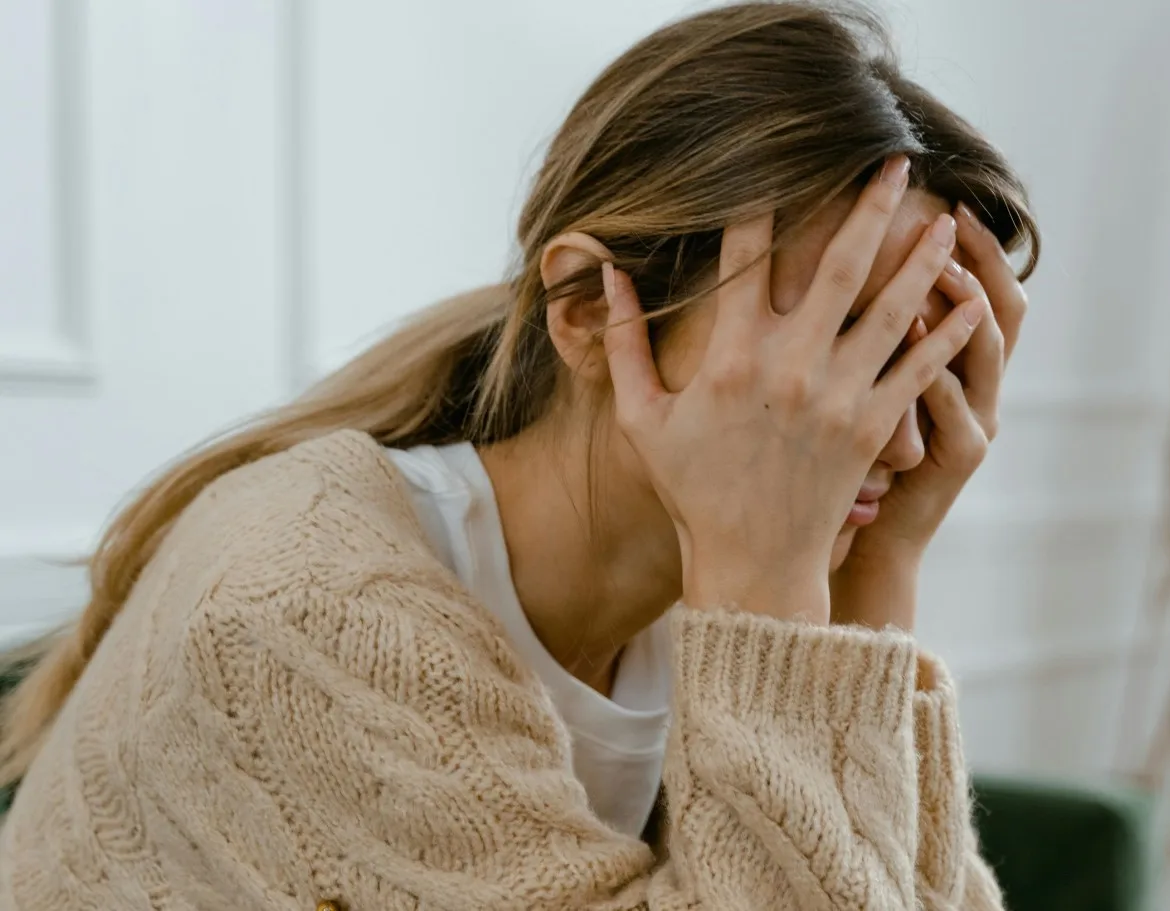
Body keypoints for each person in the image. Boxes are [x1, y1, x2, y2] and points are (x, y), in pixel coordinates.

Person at [0, 2, 1039, 908]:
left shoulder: (717, 587)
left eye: (925, 364)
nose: (891, 433)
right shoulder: (308, 609)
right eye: (829, 344)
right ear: (589, 309)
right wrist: (786, 593)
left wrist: (876, 573)